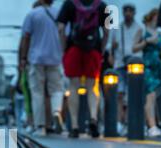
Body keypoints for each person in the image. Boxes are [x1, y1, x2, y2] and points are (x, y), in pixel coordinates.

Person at [57, 0, 109, 138]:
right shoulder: (102, 5)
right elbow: (107, 31)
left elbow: (61, 28)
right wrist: (101, 50)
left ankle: (74, 126)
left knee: (73, 86)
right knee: (92, 86)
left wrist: (64, 49)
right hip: (93, 49)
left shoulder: (69, 4)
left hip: (73, 48)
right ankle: (93, 118)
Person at [20, 0, 65, 137]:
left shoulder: (32, 14)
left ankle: (40, 127)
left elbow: (26, 37)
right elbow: (65, 34)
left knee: (37, 92)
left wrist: (23, 58)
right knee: (57, 89)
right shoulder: (59, 13)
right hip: (55, 57)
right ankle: (56, 111)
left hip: (36, 58)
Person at [109, 4, 142, 136]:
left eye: (130, 11)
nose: (128, 13)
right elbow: (110, 47)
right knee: (119, 95)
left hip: (134, 64)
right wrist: (111, 53)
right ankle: (118, 123)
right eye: (125, 11)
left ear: (134, 13)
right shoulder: (117, 28)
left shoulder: (139, 27)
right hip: (119, 63)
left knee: (132, 96)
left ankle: (129, 122)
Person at [133, 9, 161, 138]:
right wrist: (147, 42)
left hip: (159, 67)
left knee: (156, 96)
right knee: (149, 95)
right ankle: (151, 126)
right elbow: (134, 48)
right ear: (152, 16)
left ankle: (156, 123)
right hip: (147, 66)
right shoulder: (142, 30)